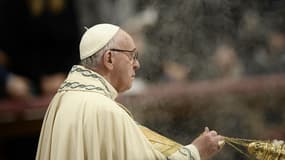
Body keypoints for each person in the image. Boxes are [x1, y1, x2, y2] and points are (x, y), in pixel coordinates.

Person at [36, 23, 224, 160]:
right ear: (109, 58)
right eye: (132, 56)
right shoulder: (106, 111)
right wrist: (196, 152)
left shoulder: (62, 99)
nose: (137, 64)